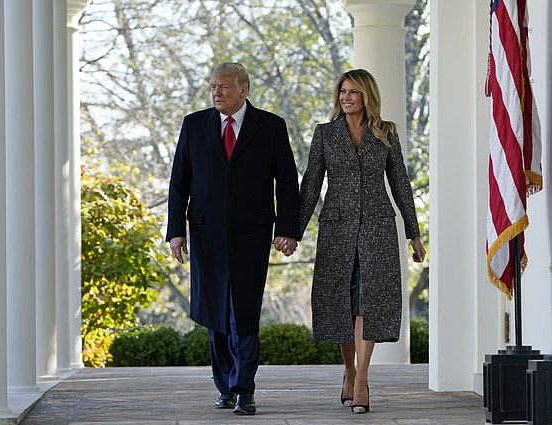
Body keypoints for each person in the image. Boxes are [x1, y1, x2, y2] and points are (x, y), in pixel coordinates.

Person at [166, 62, 300, 415]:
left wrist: (287, 229)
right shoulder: (194, 125)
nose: (217, 93)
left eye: (224, 87)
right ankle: (225, 386)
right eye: (213, 87)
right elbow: (179, 180)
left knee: (243, 310)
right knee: (215, 311)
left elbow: (287, 182)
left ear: (244, 89)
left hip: (252, 234)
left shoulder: (270, 126)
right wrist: (175, 231)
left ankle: (245, 388)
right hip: (206, 233)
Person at [298, 69, 426, 414]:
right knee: (340, 299)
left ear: (366, 95)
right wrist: (293, 232)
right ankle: (350, 371)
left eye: (353, 92)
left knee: (368, 300)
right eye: (342, 92)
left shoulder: (386, 133)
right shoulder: (325, 134)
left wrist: (414, 234)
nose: (346, 97)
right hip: (336, 228)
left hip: (378, 228)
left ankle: (363, 379)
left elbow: (401, 184)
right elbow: (311, 184)